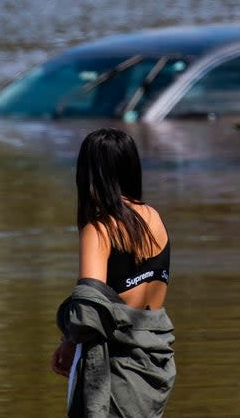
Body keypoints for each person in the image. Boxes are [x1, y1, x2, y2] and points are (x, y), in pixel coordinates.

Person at [51, 128, 176, 418]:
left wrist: (70, 341)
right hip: (154, 354)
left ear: (88, 173)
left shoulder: (99, 228)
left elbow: (89, 308)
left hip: (117, 360)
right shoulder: (153, 216)